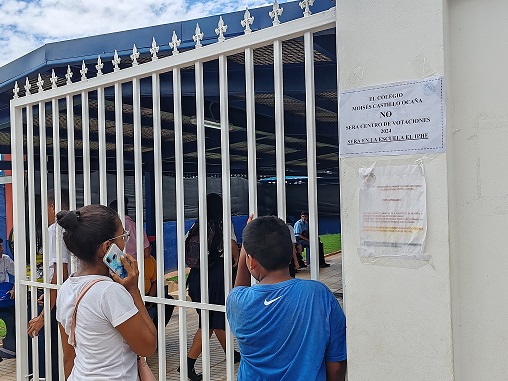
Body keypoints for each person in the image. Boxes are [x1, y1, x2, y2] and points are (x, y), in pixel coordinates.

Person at [227, 215, 347, 381]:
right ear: (292, 252)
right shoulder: (317, 294)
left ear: (251, 261)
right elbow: (336, 365)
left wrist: (245, 250)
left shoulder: (238, 302)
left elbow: (240, 288)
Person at [55, 204, 157, 380]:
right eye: (123, 236)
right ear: (107, 247)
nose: (125, 242)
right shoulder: (110, 292)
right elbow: (148, 346)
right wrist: (133, 290)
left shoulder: (66, 288)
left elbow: (69, 357)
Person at [182, 193, 240, 381]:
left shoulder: (195, 226)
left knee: (214, 318)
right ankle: (187, 366)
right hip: (216, 276)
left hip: (197, 278)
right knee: (210, 322)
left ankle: (231, 354)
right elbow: (233, 252)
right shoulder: (224, 224)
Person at [27, 189, 71, 379]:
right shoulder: (75, 228)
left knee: (51, 350)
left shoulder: (55, 230)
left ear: (52, 206)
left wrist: (44, 314)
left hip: (60, 297)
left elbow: (60, 273)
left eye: (45, 207)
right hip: (70, 293)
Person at [144, 242, 175, 328]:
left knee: (168, 301)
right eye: (147, 246)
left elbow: (155, 281)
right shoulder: (131, 259)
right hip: (134, 296)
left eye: (150, 246)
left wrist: (150, 299)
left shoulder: (151, 260)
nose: (150, 248)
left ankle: (157, 331)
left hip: (148, 295)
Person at [0, 238, 16, 359]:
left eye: (1, 246)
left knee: (10, 321)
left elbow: (20, 273)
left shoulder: (5, 259)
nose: (2, 249)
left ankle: (10, 348)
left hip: (3, 298)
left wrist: (15, 289)